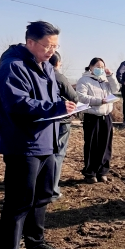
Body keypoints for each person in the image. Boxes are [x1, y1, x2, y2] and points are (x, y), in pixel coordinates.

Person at [0, 21, 76, 249]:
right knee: (18, 203)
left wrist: (65, 106)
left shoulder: (47, 67)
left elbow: (51, 99)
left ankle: (36, 243)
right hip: (23, 145)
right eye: (48, 46)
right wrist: (56, 108)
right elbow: (18, 104)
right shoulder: (13, 66)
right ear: (30, 42)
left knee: (41, 197)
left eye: (55, 46)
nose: (52, 51)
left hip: (46, 142)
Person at [76, 57, 120, 184]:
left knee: (105, 145)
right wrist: (100, 101)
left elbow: (116, 89)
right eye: (97, 67)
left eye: (102, 67)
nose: (100, 69)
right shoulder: (84, 80)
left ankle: (103, 172)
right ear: (91, 67)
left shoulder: (105, 80)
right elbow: (82, 97)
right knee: (91, 145)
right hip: (92, 117)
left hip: (106, 116)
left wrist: (110, 76)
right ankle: (90, 173)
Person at [48, 51, 78, 201]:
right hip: (61, 121)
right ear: (57, 63)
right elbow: (74, 97)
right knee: (58, 154)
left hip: (45, 120)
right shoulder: (58, 76)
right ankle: (53, 191)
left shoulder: (38, 74)